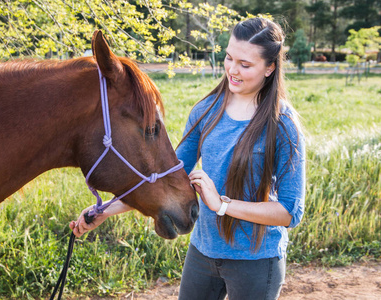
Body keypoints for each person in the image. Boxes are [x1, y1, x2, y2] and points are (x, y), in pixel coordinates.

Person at [70, 17, 305, 300]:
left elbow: (290, 212)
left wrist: (222, 205)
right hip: (203, 255)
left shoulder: (283, 124)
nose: (232, 69)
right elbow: (164, 177)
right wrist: (105, 210)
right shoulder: (206, 111)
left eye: (245, 64)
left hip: (257, 262)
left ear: (270, 68)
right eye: (229, 58)